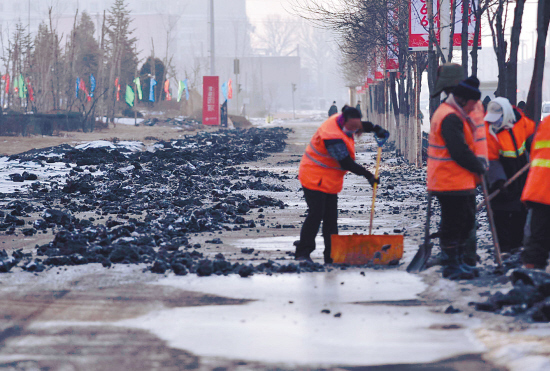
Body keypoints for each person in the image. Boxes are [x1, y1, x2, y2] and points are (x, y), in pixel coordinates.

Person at [295, 106, 389, 264]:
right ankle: (303, 252)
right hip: (313, 177)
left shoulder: (344, 122)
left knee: (331, 219)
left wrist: (375, 129)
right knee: (316, 214)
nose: (354, 131)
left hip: (329, 180)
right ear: (343, 121)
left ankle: (331, 255)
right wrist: (369, 176)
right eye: (351, 127)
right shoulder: (331, 136)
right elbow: (346, 163)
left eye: (355, 128)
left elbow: (358, 125)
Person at [427, 76, 487, 280]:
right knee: (454, 224)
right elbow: (459, 151)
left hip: (458, 181)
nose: (473, 109)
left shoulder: (454, 114)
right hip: (448, 181)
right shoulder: (449, 117)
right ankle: (451, 266)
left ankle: (459, 262)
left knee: (466, 221)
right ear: (463, 99)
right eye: (472, 105)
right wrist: (478, 166)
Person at [484, 98, 535, 254]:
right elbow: (491, 160)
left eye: (497, 119)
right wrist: (498, 180)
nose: (494, 123)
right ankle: (504, 250)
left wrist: (534, 150)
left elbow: (532, 138)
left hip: (520, 171)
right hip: (500, 175)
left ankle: (516, 247)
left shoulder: (521, 123)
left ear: (506, 115)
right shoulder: (488, 131)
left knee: (520, 212)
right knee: (500, 213)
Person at [521, 115, 550, 269]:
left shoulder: (546, 122)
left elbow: (534, 153)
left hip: (539, 186)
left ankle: (531, 273)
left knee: (537, 235)